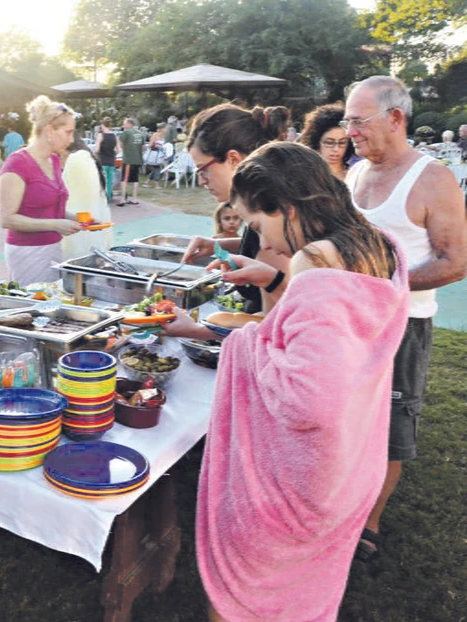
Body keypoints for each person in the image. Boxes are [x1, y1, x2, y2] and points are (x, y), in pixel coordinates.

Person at [198, 141, 409, 622]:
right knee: (303, 596)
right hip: (352, 464)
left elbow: (308, 400)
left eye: (258, 225)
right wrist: (272, 284)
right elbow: (337, 336)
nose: (266, 244)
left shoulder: (313, 260)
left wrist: (244, 344)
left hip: (298, 479)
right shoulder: (380, 246)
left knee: (246, 599)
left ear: (288, 207)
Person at [342, 76, 467, 562]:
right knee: (347, 421)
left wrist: (385, 284)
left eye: (359, 120)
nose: (350, 130)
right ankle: (342, 504)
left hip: (403, 327)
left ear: (396, 119)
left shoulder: (433, 178)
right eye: (348, 120)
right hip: (349, 321)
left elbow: (456, 260)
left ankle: (369, 523)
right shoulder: (356, 174)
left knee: (391, 428)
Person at [164, 103, 293, 341]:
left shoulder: (273, 215)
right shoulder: (267, 207)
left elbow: (274, 325)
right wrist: (221, 246)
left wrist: (195, 331)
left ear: (233, 159)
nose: (202, 181)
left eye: (203, 171)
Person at [0, 95, 82, 285]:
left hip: (53, 247)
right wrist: (55, 224)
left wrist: (79, 220)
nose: (71, 139)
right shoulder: (17, 164)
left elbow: (51, 210)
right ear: (50, 131)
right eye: (68, 132)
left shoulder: (53, 160)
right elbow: (7, 219)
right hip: (27, 252)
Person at [62, 135, 111, 259]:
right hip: (92, 229)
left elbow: (65, 196)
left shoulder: (76, 159)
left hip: (78, 235)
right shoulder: (87, 158)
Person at [299, 104, 355, 181]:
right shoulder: (305, 176)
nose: (336, 149)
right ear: (316, 141)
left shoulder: (356, 175)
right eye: (329, 143)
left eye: (342, 142)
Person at [116, 117, 143, 206]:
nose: (123, 125)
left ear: (129, 124)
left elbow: (119, 144)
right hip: (138, 159)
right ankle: (135, 199)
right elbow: (142, 147)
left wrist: (120, 151)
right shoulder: (140, 134)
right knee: (135, 180)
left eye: (124, 123)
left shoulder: (126, 132)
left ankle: (123, 199)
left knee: (124, 179)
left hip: (128, 160)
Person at [93, 117, 118, 203]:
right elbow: (118, 150)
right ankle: (109, 196)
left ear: (102, 124)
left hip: (102, 161)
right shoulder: (114, 135)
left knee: (102, 180)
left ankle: (103, 198)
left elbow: (97, 149)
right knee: (110, 180)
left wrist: (94, 154)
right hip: (111, 161)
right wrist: (113, 153)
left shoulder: (101, 135)